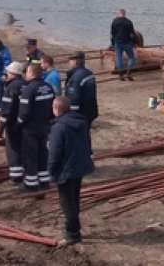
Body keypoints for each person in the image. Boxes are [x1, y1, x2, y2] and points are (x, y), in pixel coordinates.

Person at [47, 96, 94, 246]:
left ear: (56, 109)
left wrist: (51, 171)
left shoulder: (58, 127)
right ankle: (74, 227)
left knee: (67, 203)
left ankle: (72, 235)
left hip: (66, 169)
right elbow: (87, 142)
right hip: (79, 166)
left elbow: (54, 152)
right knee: (74, 199)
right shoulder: (81, 122)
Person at [18, 63, 56, 191]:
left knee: (31, 156)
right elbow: (53, 107)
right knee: (43, 154)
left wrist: (19, 124)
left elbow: (24, 112)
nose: (25, 74)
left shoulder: (28, 89)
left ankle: (31, 184)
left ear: (32, 73)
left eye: (27, 72)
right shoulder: (48, 87)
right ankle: (44, 182)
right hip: (45, 127)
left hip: (31, 129)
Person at [0, 62, 27, 185]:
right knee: (23, 149)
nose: (6, 74)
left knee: (13, 150)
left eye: (8, 72)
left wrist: (1, 126)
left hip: (13, 125)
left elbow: (6, 110)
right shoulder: (26, 85)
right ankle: (25, 171)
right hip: (24, 124)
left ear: (13, 73)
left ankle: (16, 177)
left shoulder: (11, 88)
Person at [65, 52, 98, 153]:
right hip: (90, 110)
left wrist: (70, 114)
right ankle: (88, 153)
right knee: (85, 134)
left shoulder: (76, 78)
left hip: (80, 112)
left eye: (70, 60)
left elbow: (74, 98)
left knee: (77, 135)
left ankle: (83, 155)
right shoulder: (89, 73)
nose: (69, 62)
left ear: (75, 61)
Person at [110, 9, 137, 81]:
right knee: (132, 57)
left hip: (118, 42)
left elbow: (112, 34)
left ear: (119, 14)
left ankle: (121, 74)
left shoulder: (114, 21)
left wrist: (112, 44)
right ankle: (129, 73)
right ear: (124, 14)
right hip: (127, 42)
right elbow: (132, 34)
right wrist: (134, 43)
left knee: (119, 58)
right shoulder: (128, 22)